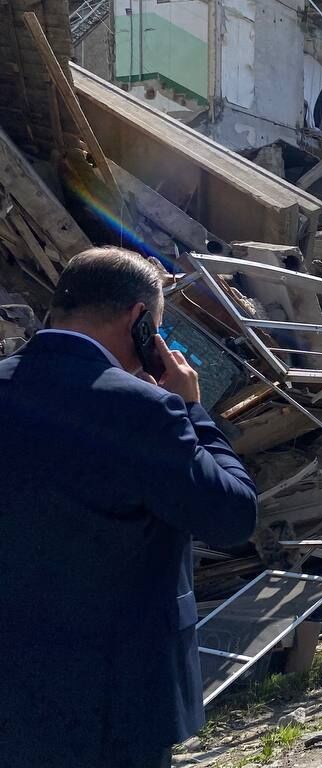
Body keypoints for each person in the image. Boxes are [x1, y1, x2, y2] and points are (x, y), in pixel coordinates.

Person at [0, 247, 258, 768]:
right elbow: (231, 515)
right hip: (117, 702)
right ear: (140, 319)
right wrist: (192, 409)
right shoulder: (146, 410)